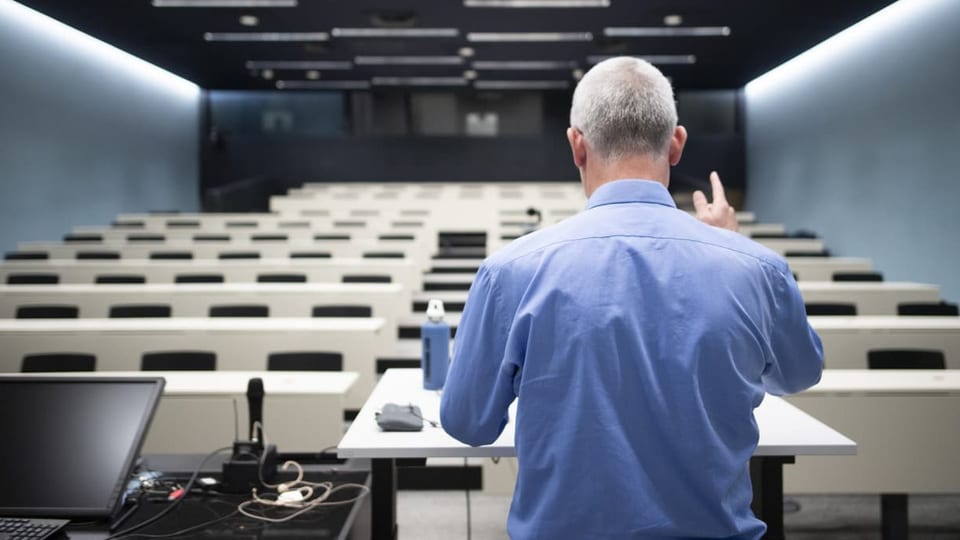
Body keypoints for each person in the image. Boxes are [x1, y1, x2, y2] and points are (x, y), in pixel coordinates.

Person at [439, 56, 823, 540]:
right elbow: (798, 374)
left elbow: (468, 423)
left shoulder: (510, 272)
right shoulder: (758, 269)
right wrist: (734, 247)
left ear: (577, 145)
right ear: (677, 143)